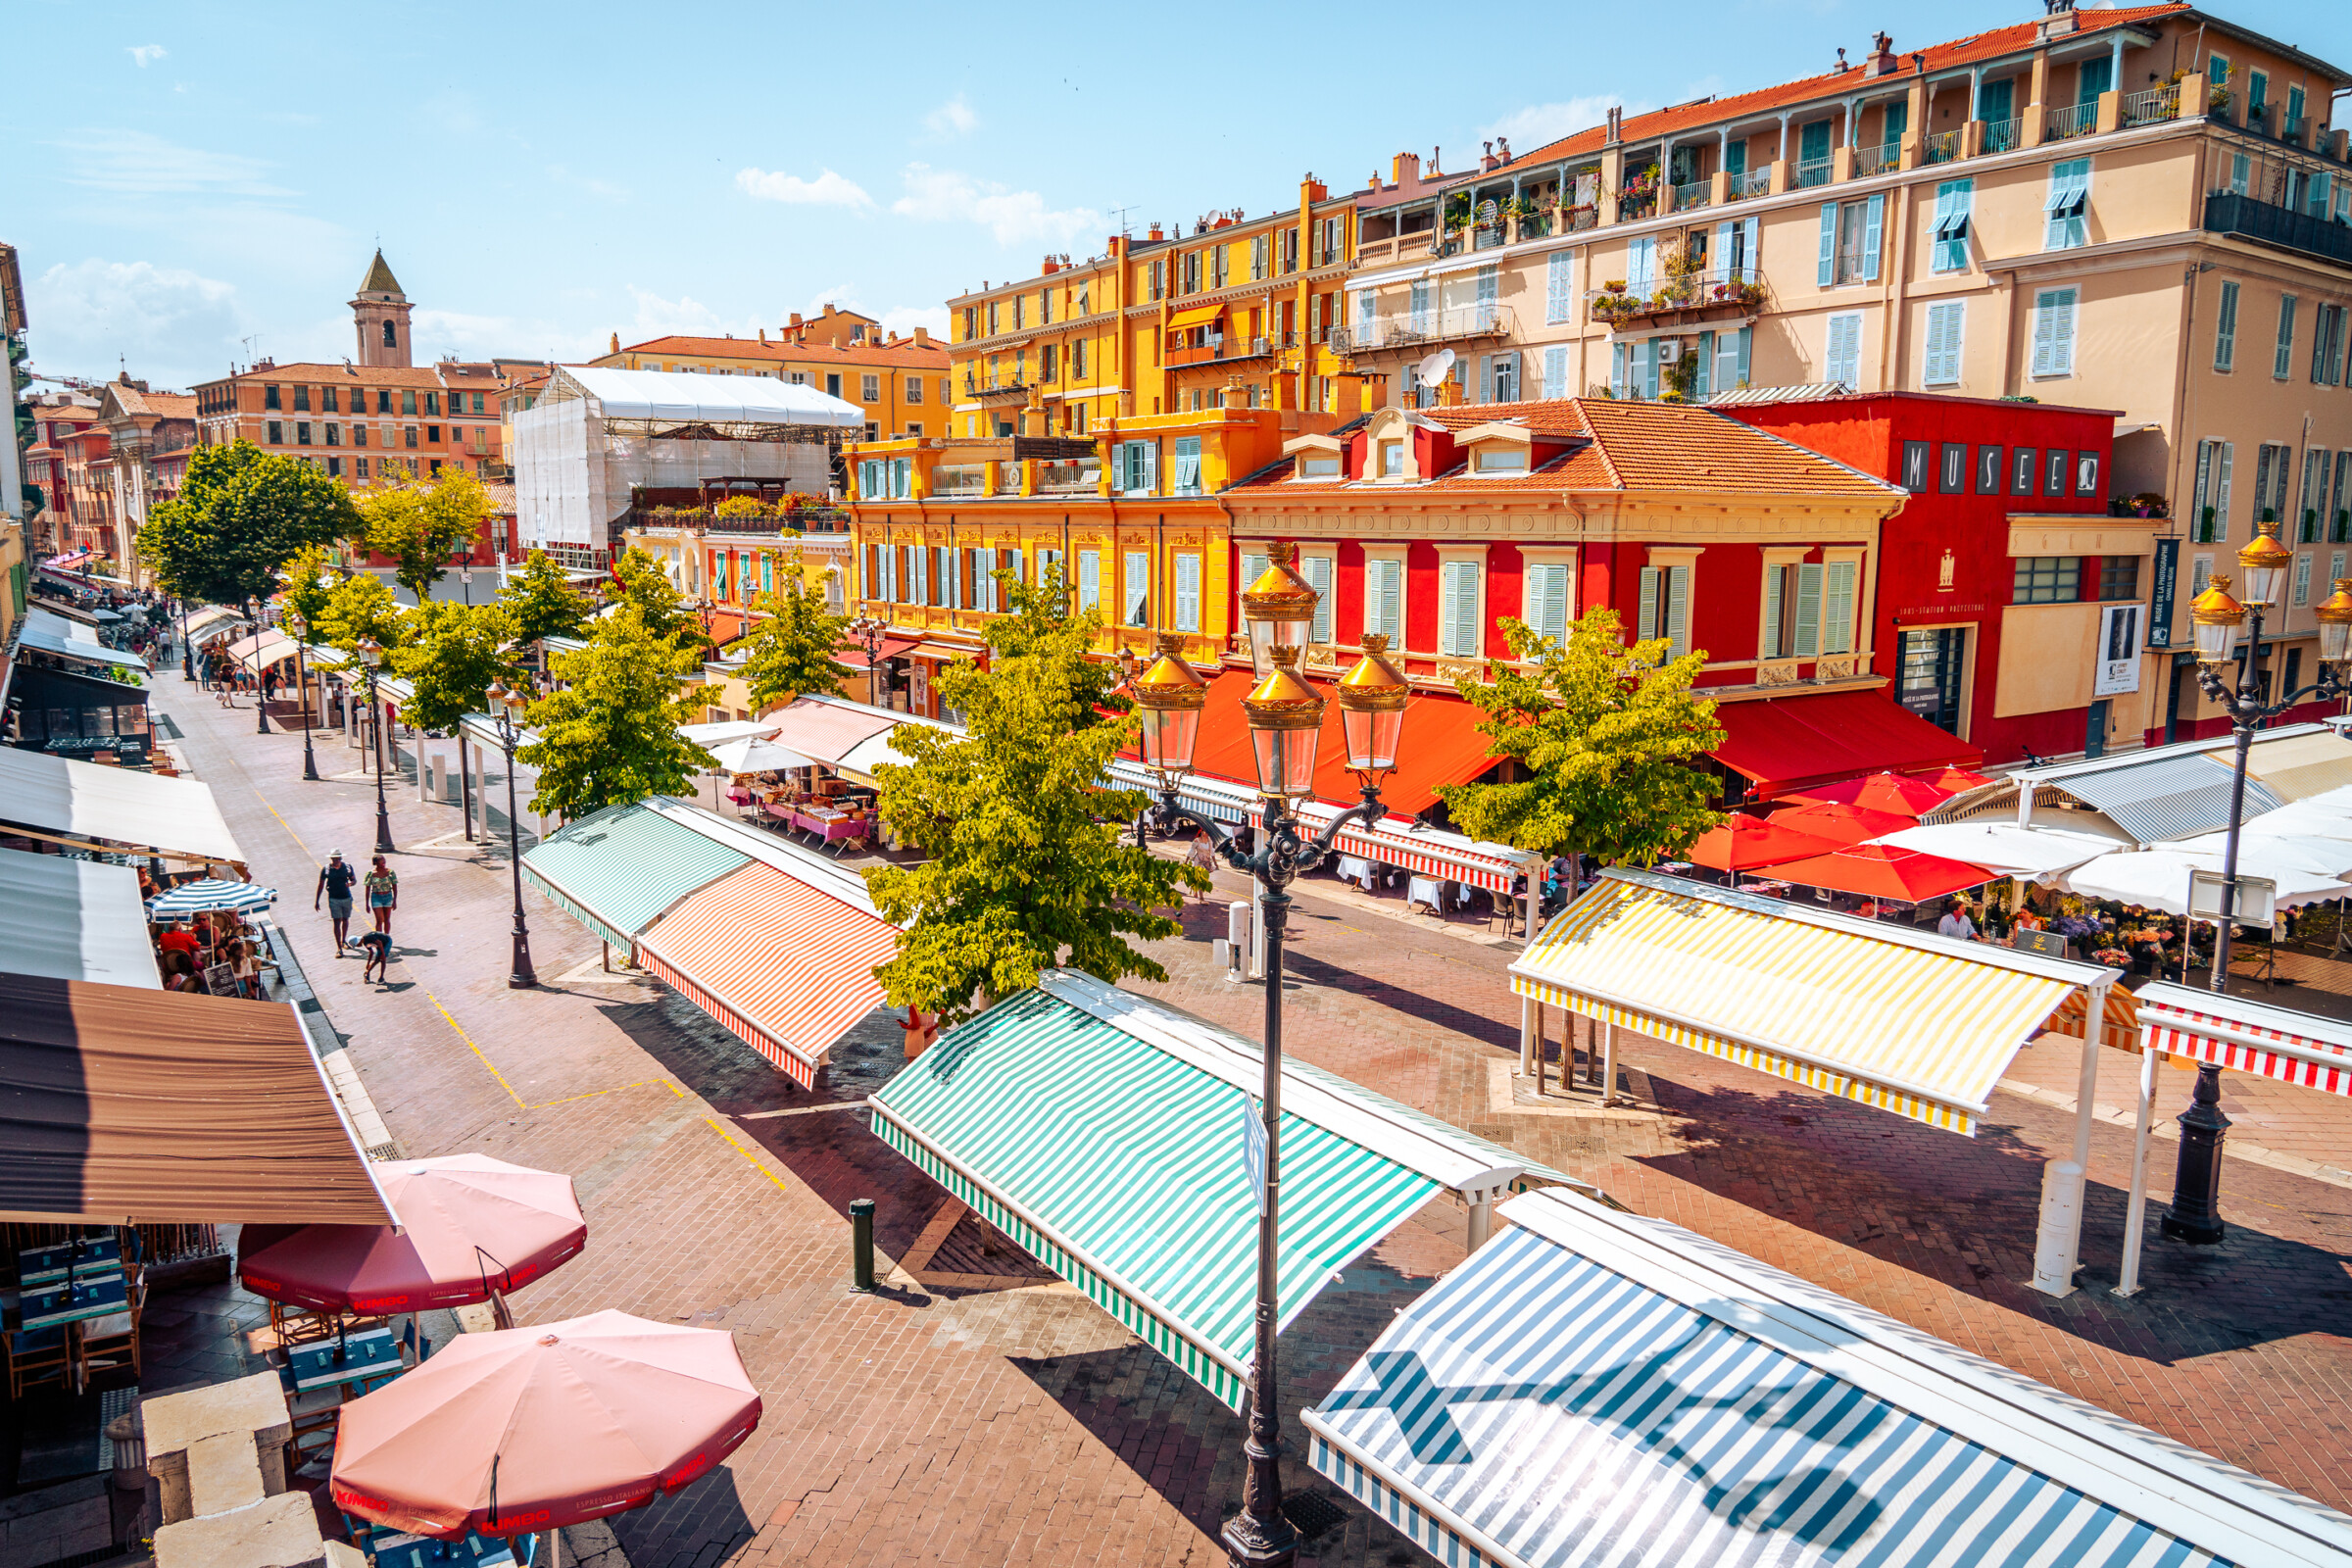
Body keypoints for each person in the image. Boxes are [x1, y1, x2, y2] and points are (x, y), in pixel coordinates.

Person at [317, 852, 356, 952]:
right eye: (333, 859)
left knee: (346, 919)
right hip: (334, 899)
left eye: (337, 859)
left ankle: (343, 941)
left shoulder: (347, 867)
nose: (336, 861)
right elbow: (321, 885)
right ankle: (339, 947)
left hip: (346, 897)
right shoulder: (326, 869)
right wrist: (317, 900)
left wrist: (350, 884)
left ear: (340, 858)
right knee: (337, 921)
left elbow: (354, 880)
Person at [364, 856, 399, 936]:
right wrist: (367, 904)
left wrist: (394, 901)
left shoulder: (390, 872)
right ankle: (380, 938)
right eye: (381, 862)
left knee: (387, 919)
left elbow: (394, 887)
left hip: (388, 896)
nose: (383, 863)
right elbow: (367, 889)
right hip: (376, 897)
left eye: (384, 861)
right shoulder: (370, 874)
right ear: (376, 863)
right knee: (379, 920)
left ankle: (386, 937)